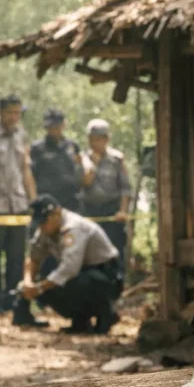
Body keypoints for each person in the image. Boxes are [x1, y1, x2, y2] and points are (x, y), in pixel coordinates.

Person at [19, 195, 122, 334]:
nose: (41, 226)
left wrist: (39, 288)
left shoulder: (73, 227)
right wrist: (28, 282)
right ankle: (80, 321)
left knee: (72, 282)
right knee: (50, 286)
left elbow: (69, 269)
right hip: (82, 273)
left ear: (57, 213)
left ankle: (106, 314)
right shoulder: (45, 229)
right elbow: (33, 258)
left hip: (106, 275)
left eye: (44, 222)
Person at [0, 95, 38, 318]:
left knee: (16, 257)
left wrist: (33, 200)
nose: (14, 117)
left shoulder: (21, 134)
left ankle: (14, 302)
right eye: (11, 112)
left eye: (18, 113)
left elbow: (26, 169)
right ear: (1, 112)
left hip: (18, 204)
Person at [80, 119, 131, 290]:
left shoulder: (117, 159)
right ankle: (94, 290)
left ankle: (117, 289)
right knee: (91, 253)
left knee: (115, 251)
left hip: (112, 211)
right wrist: (92, 164)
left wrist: (122, 211)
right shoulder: (82, 158)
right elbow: (84, 184)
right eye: (94, 139)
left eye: (101, 138)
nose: (97, 142)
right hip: (90, 212)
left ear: (107, 139)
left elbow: (125, 188)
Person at [30, 109, 84, 213]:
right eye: (50, 127)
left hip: (71, 201)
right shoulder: (37, 148)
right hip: (47, 200)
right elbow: (31, 175)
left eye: (56, 126)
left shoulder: (72, 146)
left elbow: (79, 171)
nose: (54, 130)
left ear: (63, 124)